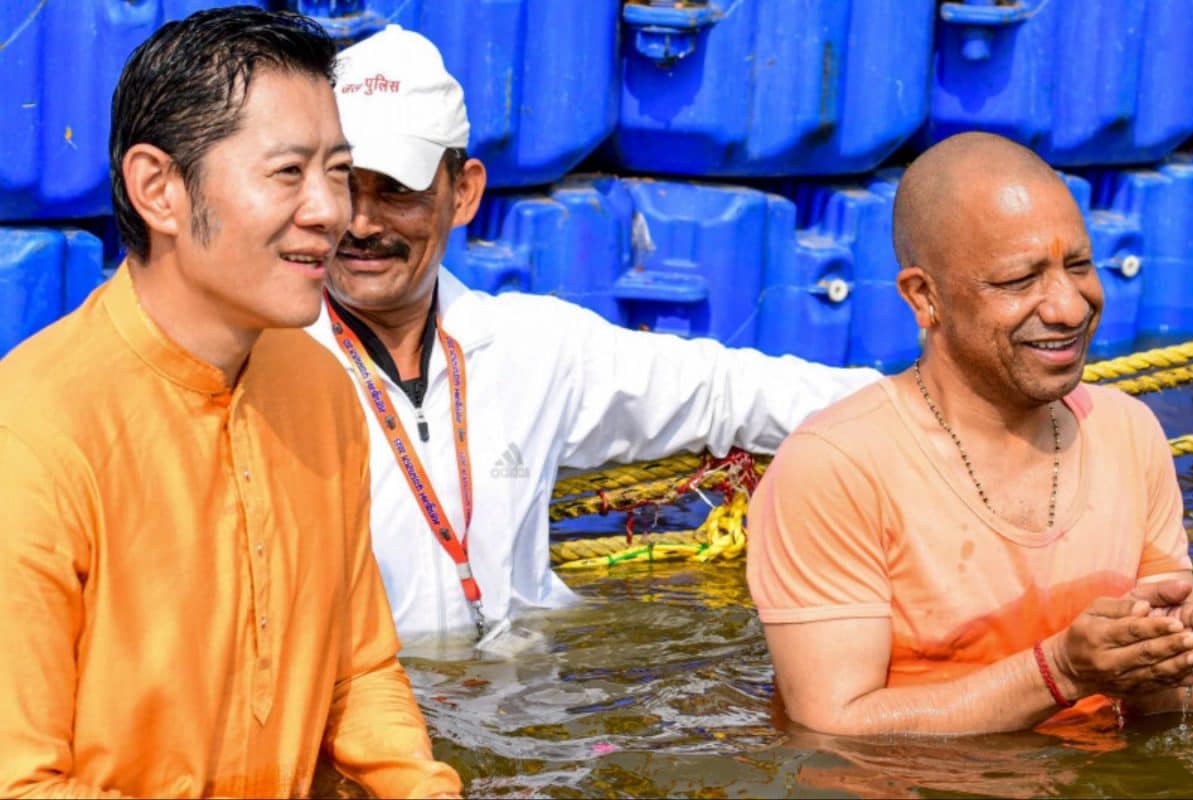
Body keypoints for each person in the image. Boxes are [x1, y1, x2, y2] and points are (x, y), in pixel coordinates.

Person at [0, 8, 460, 797]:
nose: (333, 212)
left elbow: (358, 673)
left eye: (338, 170)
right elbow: (20, 782)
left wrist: (423, 786)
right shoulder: (34, 438)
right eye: (288, 173)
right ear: (159, 189)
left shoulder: (318, 390)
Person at [308, 25, 881, 645]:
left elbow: (726, 391)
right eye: (344, 184)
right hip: (368, 713)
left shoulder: (529, 348)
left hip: (518, 704)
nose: (362, 223)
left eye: (397, 190)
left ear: (464, 192)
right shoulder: (268, 365)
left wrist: (930, 411)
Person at [747, 131, 1193, 736]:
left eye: (1080, 265)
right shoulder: (836, 466)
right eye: (1020, 281)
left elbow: (1168, 709)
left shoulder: (1127, 431)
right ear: (924, 296)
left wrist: (1167, 662)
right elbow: (831, 727)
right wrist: (1060, 671)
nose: (1069, 307)